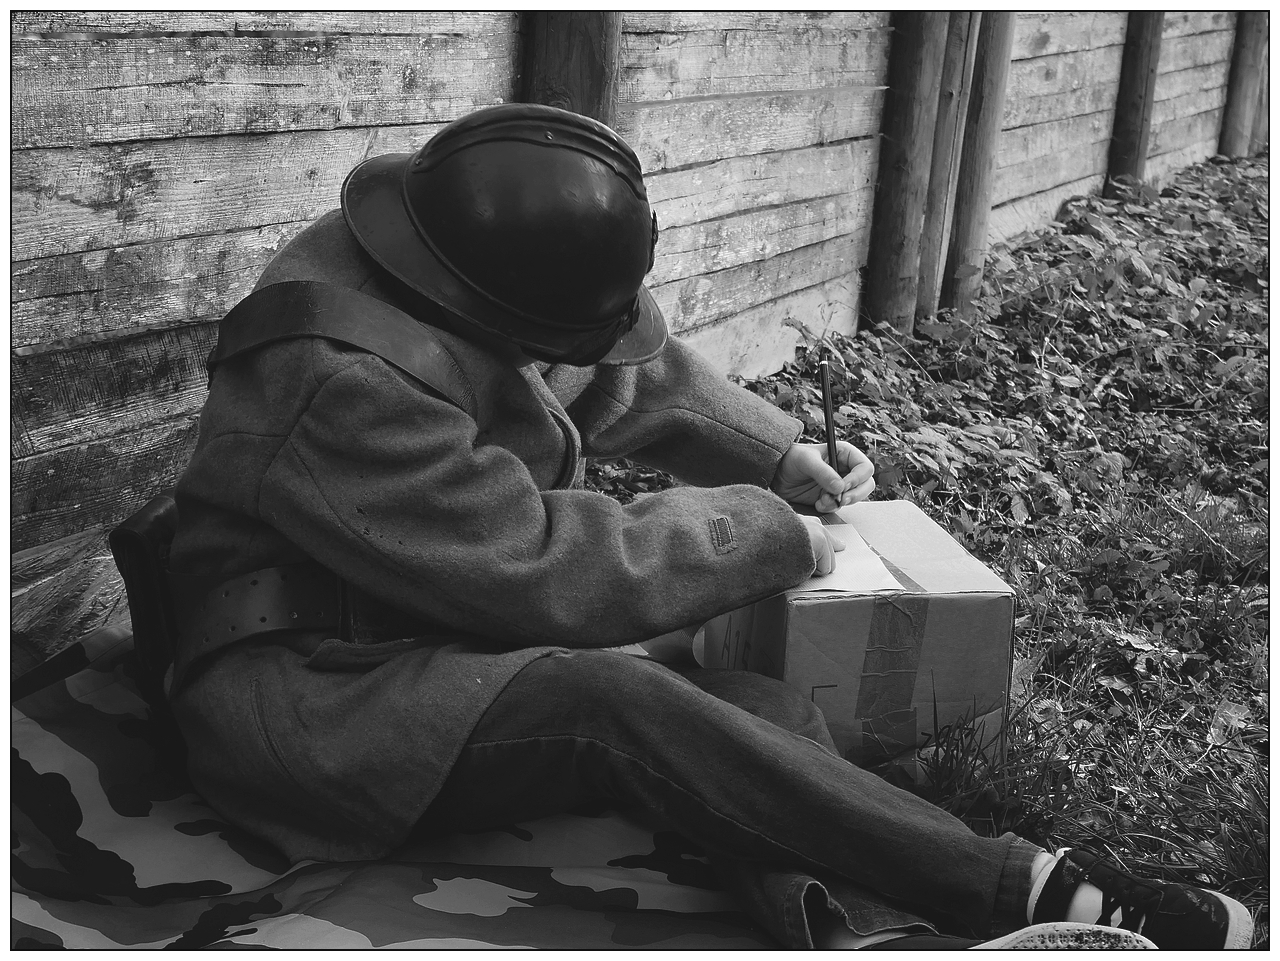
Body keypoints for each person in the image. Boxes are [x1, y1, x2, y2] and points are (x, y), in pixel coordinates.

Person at [166, 103, 1251, 950]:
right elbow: (536, 566)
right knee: (615, 700)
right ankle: (1033, 886)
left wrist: (777, 453)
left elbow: (597, 373)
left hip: (420, 627)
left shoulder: (438, 244)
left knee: (746, 709)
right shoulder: (337, 376)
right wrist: (772, 530)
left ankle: (863, 925)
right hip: (308, 695)